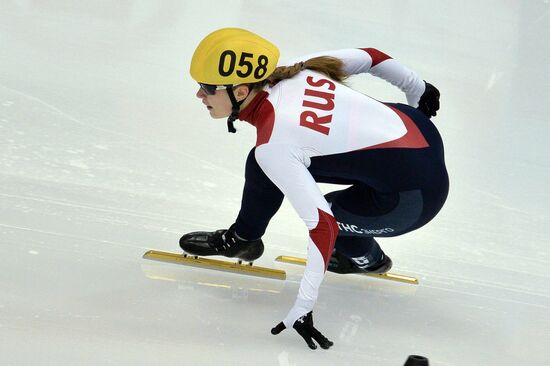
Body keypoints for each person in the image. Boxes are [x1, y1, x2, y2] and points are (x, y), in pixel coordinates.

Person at [180, 27, 448, 350]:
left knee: (330, 207)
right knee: (263, 162)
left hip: (415, 197)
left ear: (239, 92)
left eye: (206, 89)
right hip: (419, 130)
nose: (200, 96)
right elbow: (372, 56)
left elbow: (324, 227)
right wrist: (418, 88)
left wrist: (303, 306)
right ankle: (244, 239)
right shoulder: (298, 68)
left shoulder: (275, 143)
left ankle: (368, 259)